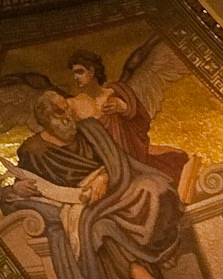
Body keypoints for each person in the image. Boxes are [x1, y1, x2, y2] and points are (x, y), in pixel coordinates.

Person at [0, 90, 183, 279]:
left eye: (68, 109)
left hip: (116, 187)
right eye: (60, 112)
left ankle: (161, 252)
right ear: (45, 119)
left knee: (152, 188)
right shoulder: (33, 150)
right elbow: (23, 186)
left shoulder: (90, 129)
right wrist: (19, 188)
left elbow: (118, 162)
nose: (68, 116)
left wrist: (105, 176)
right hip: (81, 203)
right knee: (98, 228)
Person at [66, 51, 189, 188]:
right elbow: (72, 142)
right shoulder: (73, 105)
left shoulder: (117, 93)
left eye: (80, 72)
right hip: (103, 163)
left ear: (92, 71)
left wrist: (124, 109)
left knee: (176, 160)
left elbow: (142, 123)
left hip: (131, 154)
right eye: (74, 73)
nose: (75, 77)